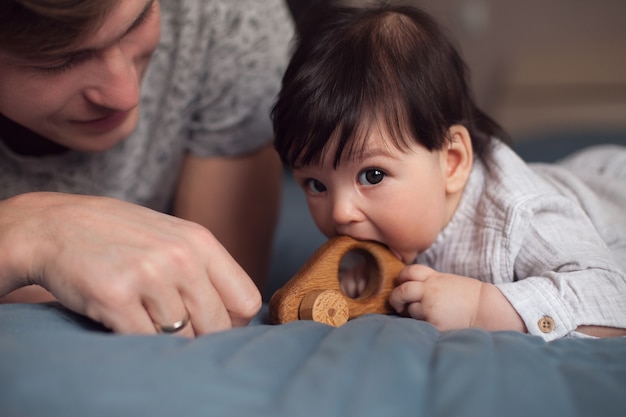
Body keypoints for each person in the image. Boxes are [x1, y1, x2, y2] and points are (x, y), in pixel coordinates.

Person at [271, 0, 626, 340]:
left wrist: (482, 308)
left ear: (452, 162)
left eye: (372, 175)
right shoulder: (386, 230)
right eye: (315, 184)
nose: (340, 212)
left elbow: (612, 301)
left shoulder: (520, 218)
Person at [0, 0, 293, 337]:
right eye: (58, 61)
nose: (125, 95)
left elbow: (215, 312)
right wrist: (23, 233)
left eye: (138, 20)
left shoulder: (226, 15)